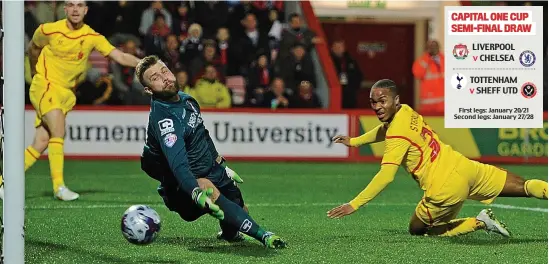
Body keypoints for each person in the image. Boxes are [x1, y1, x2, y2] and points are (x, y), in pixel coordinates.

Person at [327, 79, 548, 237]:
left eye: (381, 101)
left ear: (395, 100)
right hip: (465, 166)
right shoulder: (406, 110)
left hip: (445, 186)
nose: (377, 107)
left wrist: (354, 204)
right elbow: (384, 128)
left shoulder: (397, 133)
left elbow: (386, 176)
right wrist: (354, 141)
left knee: (418, 229)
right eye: (373, 102)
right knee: (525, 186)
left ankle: (479, 222)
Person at [135, 55, 286, 248]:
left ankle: (229, 234)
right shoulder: (166, 121)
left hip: (211, 170)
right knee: (209, 188)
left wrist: (220, 163)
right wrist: (195, 191)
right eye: (155, 78)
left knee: (240, 208)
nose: (164, 78)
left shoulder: (187, 100)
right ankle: (265, 236)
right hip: (182, 186)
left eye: (164, 70)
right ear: (148, 89)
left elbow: (202, 132)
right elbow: (178, 165)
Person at [0, 0, 141, 201]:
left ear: (85, 10)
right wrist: (34, 73)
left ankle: (2, 181)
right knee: (59, 130)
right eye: (71, 5)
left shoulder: (91, 36)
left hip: (65, 93)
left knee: (40, 143)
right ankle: (59, 187)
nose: (75, 9)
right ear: (65, 9)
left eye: (79, 5)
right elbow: (33, 48)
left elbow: (118, 56)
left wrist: (142, 63)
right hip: (45, 85)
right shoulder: (48, 30)